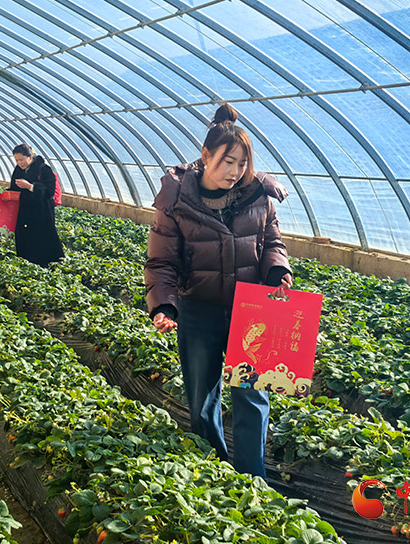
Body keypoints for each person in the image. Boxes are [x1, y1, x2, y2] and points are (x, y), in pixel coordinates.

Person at [144, 104, 293, 479]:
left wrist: (277, 271)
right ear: (206, 155)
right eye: (228, 161)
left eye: (242, 163)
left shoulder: (258, 196)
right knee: (202, 397)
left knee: (253, 395)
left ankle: (252, 478)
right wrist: (165, 305)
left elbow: (272, 240)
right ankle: (215, 473)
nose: (235, 171)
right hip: (200, 309)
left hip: (252, 309)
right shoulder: (177, 201)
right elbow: (162, 260)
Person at [8, 144, 64, 267]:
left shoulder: (44, 169)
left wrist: (30, 186)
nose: (19, 163)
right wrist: (8, 193)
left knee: (41, 239)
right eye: (16, 160)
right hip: (24, 211)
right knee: (24, 239)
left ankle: (44, 266)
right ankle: (26, 264)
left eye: (21, 159)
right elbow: (14, 187)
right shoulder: (18, 170)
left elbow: (49, 192)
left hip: (41, 212)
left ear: (30, 157)